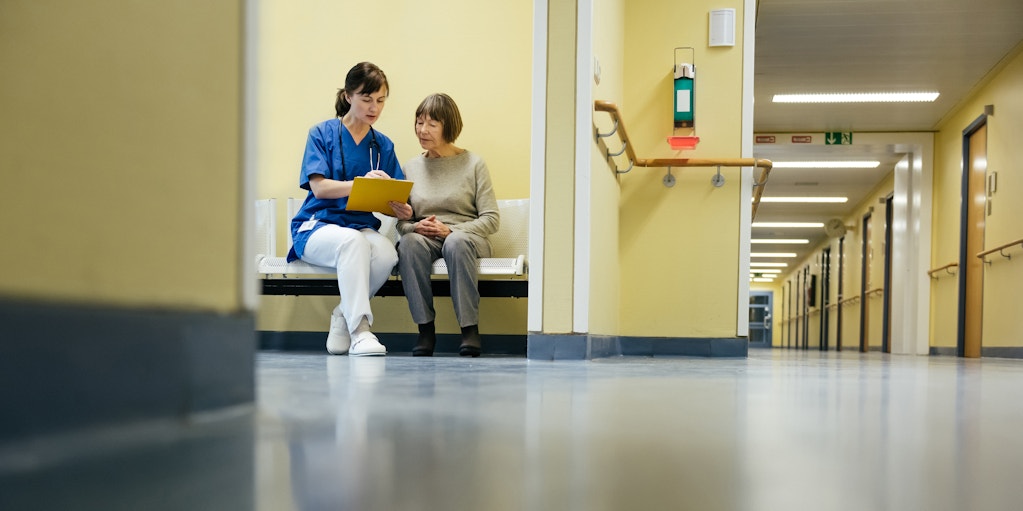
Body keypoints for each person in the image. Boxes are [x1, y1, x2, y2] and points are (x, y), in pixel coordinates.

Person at [287, 62, 411, 356]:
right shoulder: (322, 133)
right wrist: (360, 183)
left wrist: (401, 210)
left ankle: (344, 314)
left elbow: (392, 197)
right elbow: (319, 188)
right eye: (366, 99)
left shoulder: (382, 146)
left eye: (380, 100)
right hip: (316, 225)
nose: (374, 107)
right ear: (348, 96)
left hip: (359, 226)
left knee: (386, 253)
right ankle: (360, 331)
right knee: (354, 243)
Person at [395, 93, 500, 357]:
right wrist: (414, 228)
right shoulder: (410, 167)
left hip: (467, 239)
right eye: (419, 122)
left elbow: (491, 219)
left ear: (449, 126)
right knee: (408, 244)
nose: (422, 130)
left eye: (431, 123)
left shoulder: (474, 163)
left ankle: (469, 329)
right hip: (426, 237)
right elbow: (403, 222)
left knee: (455, 241)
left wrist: (451, 230)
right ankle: (425, 329)